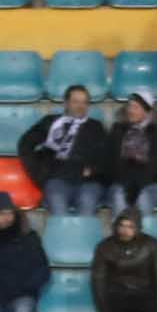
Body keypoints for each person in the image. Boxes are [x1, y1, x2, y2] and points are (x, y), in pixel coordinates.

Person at [17, 85, 112, 218]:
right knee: (57, 203)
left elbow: (107, 157)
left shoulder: (96, 127)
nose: (80, 106)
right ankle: (61, 237)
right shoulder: (50, 122)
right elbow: (25, 144)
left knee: (87, 202)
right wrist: (39, 172)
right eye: (76, 101)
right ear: (66, 103)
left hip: (88, 182)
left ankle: (84, 237)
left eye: (84, 102)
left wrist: (92, 170)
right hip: (58, 179)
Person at [90, 209, 157, 312]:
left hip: (144, 293)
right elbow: (98, 280)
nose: (125, 230)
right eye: (122, 226)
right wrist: (104, 310)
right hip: (117, 294)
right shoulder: (105, 246)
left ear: (138, 228)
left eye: (130, 227)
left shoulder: (152, 245)